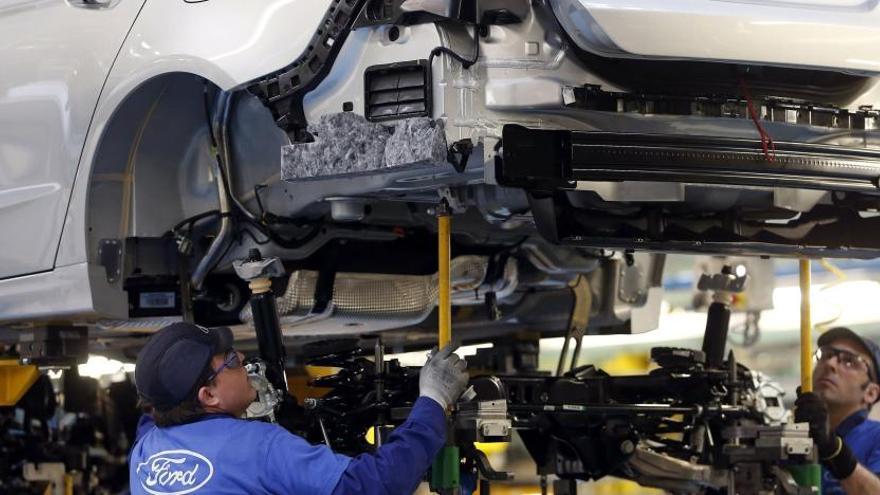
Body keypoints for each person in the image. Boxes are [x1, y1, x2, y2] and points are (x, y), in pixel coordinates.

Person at [129, 322, 469, 494]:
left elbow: (150, 413)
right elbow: (374, 485)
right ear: (208, 397)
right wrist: (433, 401)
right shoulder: (258, 446)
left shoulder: (145, 452)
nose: (243, 358)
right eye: (231, 361)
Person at [795, 326, 880, 494]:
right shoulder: (793, 437)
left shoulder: (876, 437)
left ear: (871, 393)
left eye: (850, 361)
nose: (830, 364)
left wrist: (834, 451)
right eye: (825, 355)